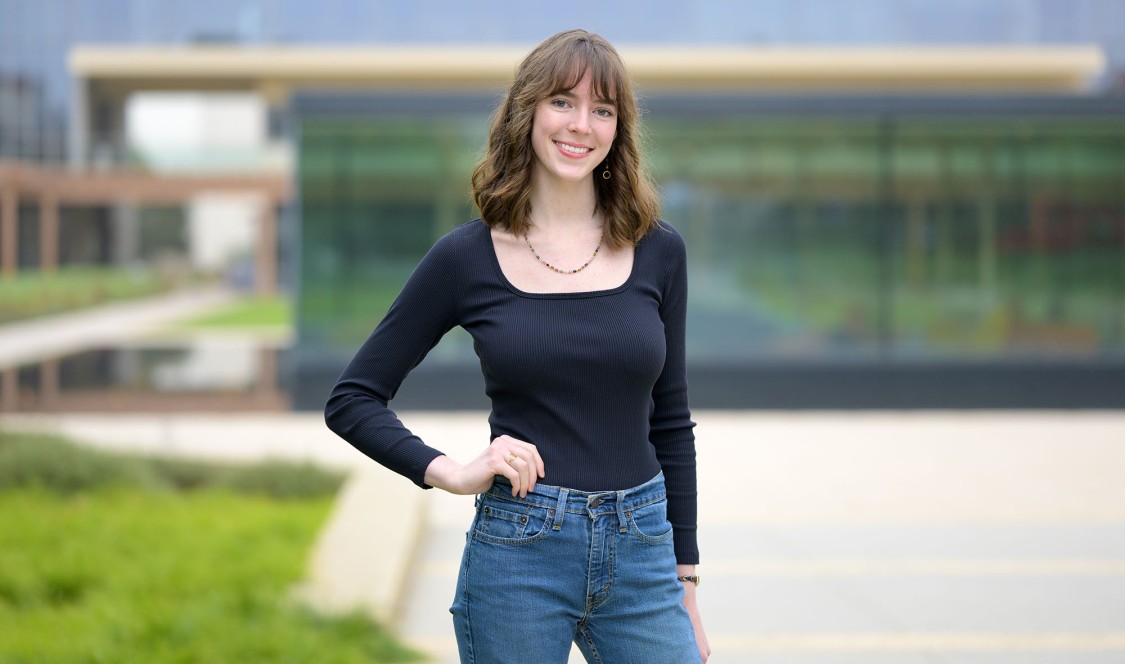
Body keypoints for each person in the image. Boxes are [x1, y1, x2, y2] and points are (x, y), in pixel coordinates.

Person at [325, 28, 710, 663]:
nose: (580, 124)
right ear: (527, 111)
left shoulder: (659, 250)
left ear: (619, 130)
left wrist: (686, 583)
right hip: (520, 554)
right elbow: (353, 399)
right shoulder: (464, 258)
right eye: (563, 101)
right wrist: (449, 471)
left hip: (643, 546)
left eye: (603, 110)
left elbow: (670, 422)